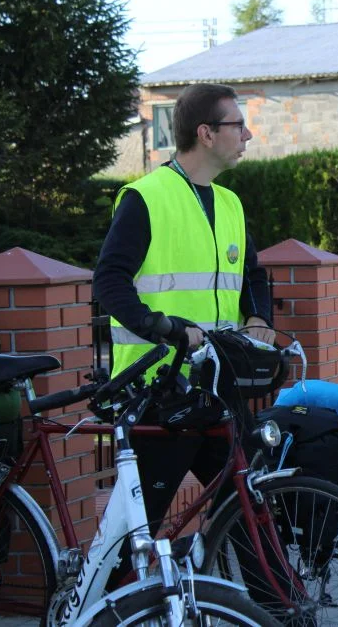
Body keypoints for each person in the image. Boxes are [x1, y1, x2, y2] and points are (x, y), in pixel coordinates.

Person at [93, 82, 274, 571]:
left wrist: (259, 317)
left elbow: (254, 275)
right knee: (129, 545)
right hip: (160, 394)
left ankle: (278, 611)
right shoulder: (146, 197)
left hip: (219, 388)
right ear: (206, 133)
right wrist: (159, 325)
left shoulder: (230, 203)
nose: (249, 134)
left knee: (253, 515)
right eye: (238, 125)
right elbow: (109, 281)